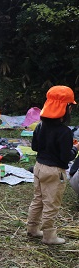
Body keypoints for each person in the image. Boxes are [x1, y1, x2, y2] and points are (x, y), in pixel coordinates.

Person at [27, 86, 78, 244]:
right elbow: (65, 157)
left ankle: (32, 228)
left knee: (38, 199)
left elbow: (35, 147)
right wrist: (75, 148)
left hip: (39, 167)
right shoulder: (65, 132)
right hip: (54, 171)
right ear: (67, 108)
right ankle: (49, 236)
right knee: (51, 204)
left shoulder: (40, 125)